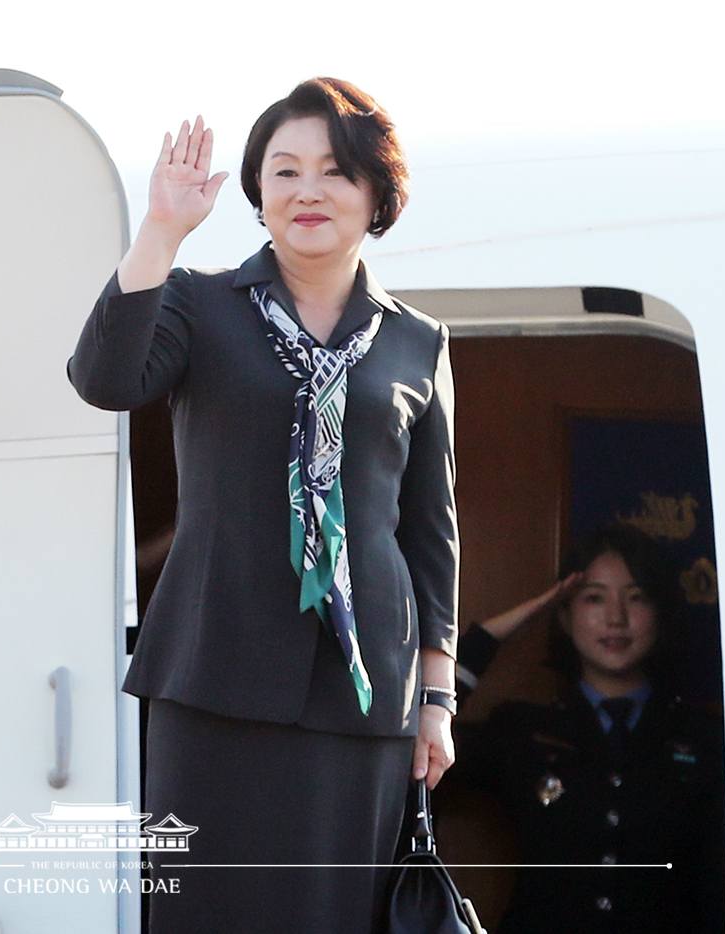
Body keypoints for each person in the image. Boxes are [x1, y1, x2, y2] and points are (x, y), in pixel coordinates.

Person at [68, 78, 458, 934]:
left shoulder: (414, 341)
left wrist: (437, 701)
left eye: (334, 172)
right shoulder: (200, 302)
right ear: (257, 193)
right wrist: (161, 230)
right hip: (212, 673)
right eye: (284, 172)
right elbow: (103, 380)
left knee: (339, 913)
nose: (307, 191)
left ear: (376, 195)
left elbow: (430, 536)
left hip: (364, 690)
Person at [453, 525, 725, 933]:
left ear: (661, 611)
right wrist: (502, 628)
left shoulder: (705, 738)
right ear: (564, 614)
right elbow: (417, 748)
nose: (616, 618)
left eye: (636, 598)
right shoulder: (523, 731)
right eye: (594, 598)